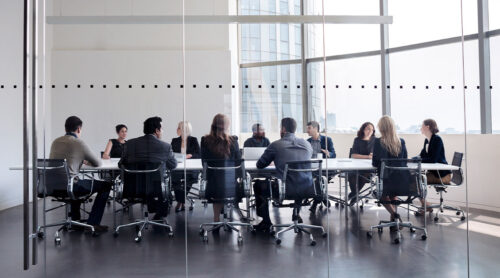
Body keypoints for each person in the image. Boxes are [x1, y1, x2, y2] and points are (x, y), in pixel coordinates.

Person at [49, 116, 111, 233]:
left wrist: (79, 159)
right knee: (106, 185)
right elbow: (97, 163)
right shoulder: (78, 142)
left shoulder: (55, 142)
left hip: (53, 185)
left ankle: (75, 221)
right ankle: (93, 224)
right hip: (71, 185)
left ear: (65, 128)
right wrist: (84, 160)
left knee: (74, 182)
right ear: (78, 129)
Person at [253, 117, 313, 232]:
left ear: (283, 129)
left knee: (258, 185)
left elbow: (260, 164)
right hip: (307, 188)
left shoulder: (276, 145)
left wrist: (275, 159)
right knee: (299, 179)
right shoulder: (307, 144)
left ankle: (266, 222)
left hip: (284, 190)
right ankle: (296, 213)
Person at [119, 116, 177, 219]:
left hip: (133, 188)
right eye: (162, 129)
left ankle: (154, 210)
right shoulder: (165, 146)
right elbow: (173, 165)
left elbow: (121, 164)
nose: (162, 131)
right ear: (157, 130)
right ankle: (159, 215)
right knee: (163, 180)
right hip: (157, 189)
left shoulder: (129, 144)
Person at [200, 114, 241, 223]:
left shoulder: (205, 140)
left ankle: (216, 218)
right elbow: (238, 162)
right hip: (230, 184)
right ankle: (228, 216)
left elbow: (204, 163)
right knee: (226, 186)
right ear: (226, 125)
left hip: (213, 184)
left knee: (218, 188)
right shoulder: (233, 140)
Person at [372, 116, 408, 231]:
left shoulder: (378, 141)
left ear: (381, 128)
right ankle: (394, 219)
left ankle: (394, 215)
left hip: (386, 179)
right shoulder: (401, 141)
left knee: (382, 194)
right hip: (402, 179)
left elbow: (375, 162)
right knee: (393, 193)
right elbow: (405, 160)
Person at [416, 118, 451, 215]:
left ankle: (426, 206)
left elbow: (433, 159)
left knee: (416, 180)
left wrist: (418, 159)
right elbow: (422, 155)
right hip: (434, 173)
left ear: (427, 127)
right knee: (415, 177)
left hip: (442, 175)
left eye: (421, 126)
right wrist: (413, 158)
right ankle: (426, 205)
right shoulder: (427, 140)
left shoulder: (437, 139)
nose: (420, 128)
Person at [171, 121, 200, 212]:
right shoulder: (174, 141)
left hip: (190, 168)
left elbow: (198, 154)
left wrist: (189, 156)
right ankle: (182, 201)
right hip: (178, 167)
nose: (177, 129)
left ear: (184, 129)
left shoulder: (193, 140)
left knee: (188, 177)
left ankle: (180, 202)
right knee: (176, 178)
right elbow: (171, 154)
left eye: (178, 128)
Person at [348, 122, 376, 204]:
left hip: (369, 167)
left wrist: (373, 155)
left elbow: (376, 155)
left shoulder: (375, 140)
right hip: (356, 166)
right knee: (351, 174)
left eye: (372, 129)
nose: (370, 131)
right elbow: (353, 155)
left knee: (365, 174)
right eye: (368, 129)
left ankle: (353, 195)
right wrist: (368, 156)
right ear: (363, 129)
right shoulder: (357, 140)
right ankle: (355, 195)